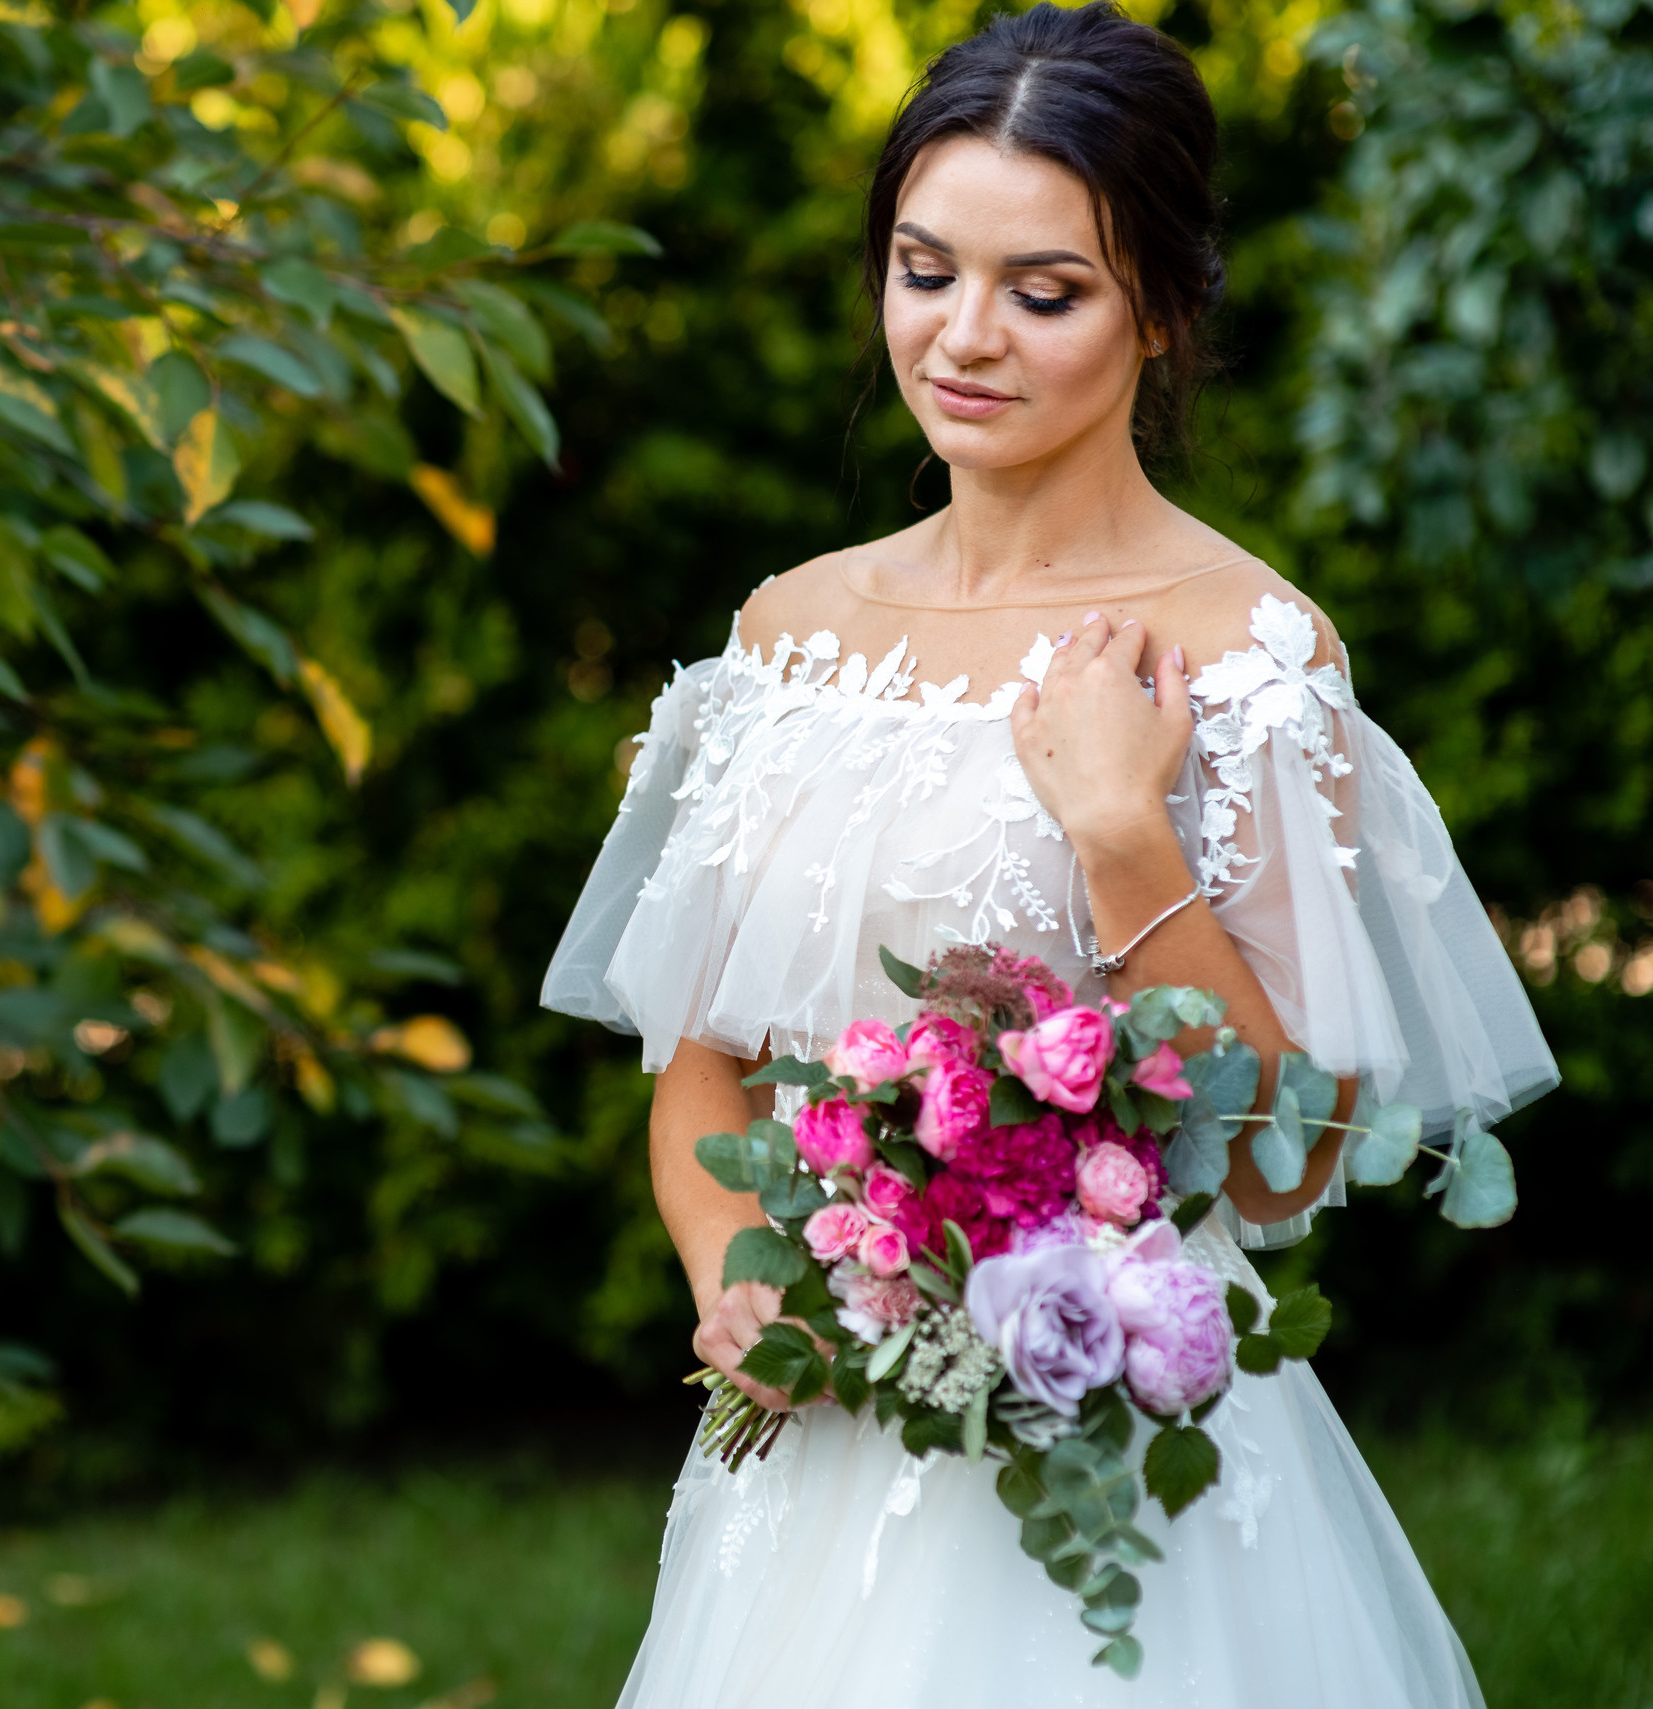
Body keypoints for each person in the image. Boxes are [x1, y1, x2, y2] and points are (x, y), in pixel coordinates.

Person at [540, 5, 1559, 1703]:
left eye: (1045, 291)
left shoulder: (1246, 653)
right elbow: (703, 1073)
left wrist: (1120, 835)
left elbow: (1281, 1164)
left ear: (1160, 310)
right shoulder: (789, 634)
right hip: (825, 1450)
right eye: (925, 270)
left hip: (1124, 1447)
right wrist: (736, 1277)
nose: (964, 337)